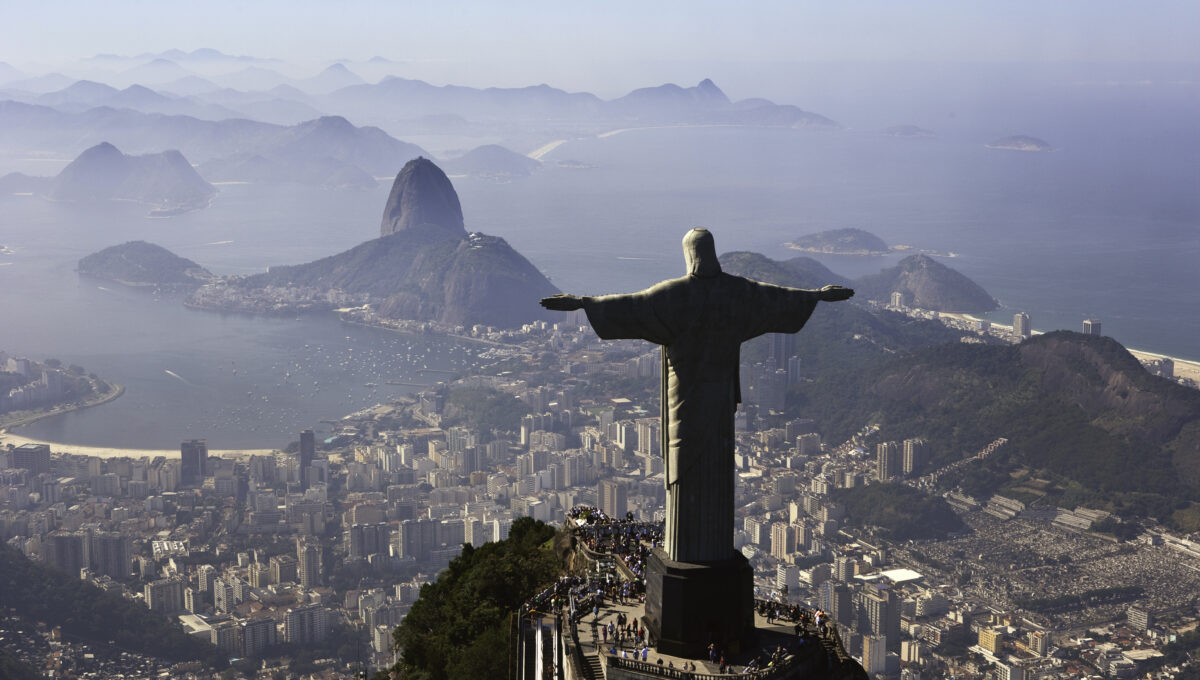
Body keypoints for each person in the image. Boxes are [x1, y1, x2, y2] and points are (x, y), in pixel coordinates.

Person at [541, 228, 852, 564]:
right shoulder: (738, 293)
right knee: (716, 472)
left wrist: (583, 303)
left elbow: (632, 305)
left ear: (689, 255)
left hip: (685, 406)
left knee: (686, 473)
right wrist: (815, 296)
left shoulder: (673, 296)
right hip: (720, 404)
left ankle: (686, 552)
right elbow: (775, 298)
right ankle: (713, 550)